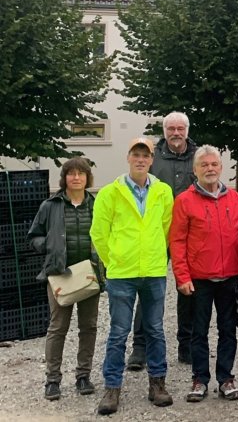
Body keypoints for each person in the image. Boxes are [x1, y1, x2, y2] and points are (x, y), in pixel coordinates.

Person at [90, 137, 175, 415]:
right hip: (122, 274)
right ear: (128, 158)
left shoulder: (162, 191)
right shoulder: (109, 193)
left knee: (155, 330)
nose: (141, 159)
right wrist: (113, 259)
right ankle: (112, 388)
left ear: (152, 160)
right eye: (136, 154)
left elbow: (166, 229)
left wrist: (156, 256)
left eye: (145, 155)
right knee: (118, 332)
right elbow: (99, 234)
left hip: (152, 272)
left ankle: (158, 384)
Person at [169, 145, 238, 403]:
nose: (209, 169)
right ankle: (200, 379)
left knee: (228, 329)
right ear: (195, 170)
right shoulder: (184, 200)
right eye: (204, 165)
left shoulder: (234, 198)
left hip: (228, 277)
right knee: (199, 331)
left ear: (221, 167)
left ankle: (226, 378)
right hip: (199, 279)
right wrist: (181, 276)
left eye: (214, 164)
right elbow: (178, 241)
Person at [124, 111, 198, 369]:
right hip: (156, 232)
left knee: (187, 289)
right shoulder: (154, 156)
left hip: (189, 234)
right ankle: (140, 347)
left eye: (180, 128)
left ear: (187, 130)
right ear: (165, 131)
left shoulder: (197, 157)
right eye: (171, 129)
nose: (176, 133)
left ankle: (186, 345)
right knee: (148, 289)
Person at [29, 157, 102, 401]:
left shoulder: (97, 205)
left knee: (88, 327)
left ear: (87, 178)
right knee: (58, 327)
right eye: (71, 173)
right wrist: (49, 246)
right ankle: (52, 380)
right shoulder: (50, 206)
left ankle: (83, 376)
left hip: (89, 273)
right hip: (60, 275)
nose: (76, 177)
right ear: (65, 178)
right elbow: (33, 236)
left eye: (81, 173)